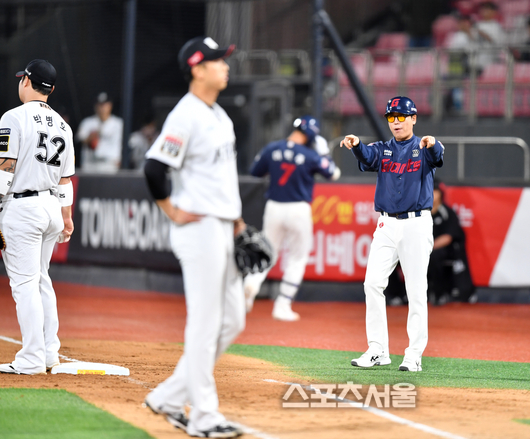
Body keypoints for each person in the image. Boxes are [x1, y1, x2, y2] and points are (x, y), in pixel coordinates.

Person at [142, 36, 244, 438]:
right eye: (218, 61)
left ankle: (168, 397)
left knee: (232, 320)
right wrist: (172, 210)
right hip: (198, 230)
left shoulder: (219, 114)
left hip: (222, 226)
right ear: (198, 69)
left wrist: (237, 222)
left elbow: (222, 179)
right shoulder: (185, 115)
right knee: (204, 324)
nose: (226, 66)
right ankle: (204, 417)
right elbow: (154, 168)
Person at [341, 96, 444, 372]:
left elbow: (437, 156)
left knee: (416, 290)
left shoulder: (424, 145)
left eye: (401, 116)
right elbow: (368, 156)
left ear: (413, 118)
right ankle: (378, 350)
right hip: (386, 224)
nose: (396, 122)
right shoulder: (383, 149)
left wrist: (433, 143)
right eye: (391, 117)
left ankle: (414, 354)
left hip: (416, 223)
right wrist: (356, 145)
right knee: (372, 283)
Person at [0, 59, 75, 375]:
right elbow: (65, 180)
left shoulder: (13, 117)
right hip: (51, 209)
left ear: (27, 81)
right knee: (41, 279)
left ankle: (31, 358)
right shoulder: (63, 126)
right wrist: (67, 217)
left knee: (25, 284)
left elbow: (5, 168)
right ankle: (48, 353)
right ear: (51, 89)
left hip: (22, 208)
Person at [243, 116, 341, 321]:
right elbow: (333, 174)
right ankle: (283, 305)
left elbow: (255, 172)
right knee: (297, 258)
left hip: (274, 207)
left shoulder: (272, 148)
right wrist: (324, 153)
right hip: (298, 209)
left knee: (267, 252)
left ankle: (250, 285)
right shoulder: (311, 155)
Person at [428, 180, 475, 306]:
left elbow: (448, 237)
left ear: (440, 194)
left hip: (444, 251)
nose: (431, 194)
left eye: (434, 191)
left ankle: (439, 294)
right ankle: (402, 295)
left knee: (435, 256)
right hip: (424, 249)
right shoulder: (421, 213)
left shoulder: (447, 213)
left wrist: (429, 247)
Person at [76, 92, 123, 173]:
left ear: (110, 106)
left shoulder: (118, 124)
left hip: (110, 164)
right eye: (100, 105)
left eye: (105, 105)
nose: (102, 108)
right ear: (95, 106)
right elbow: (80, 139)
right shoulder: (87, 122)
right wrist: (91, 137)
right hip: (90, 164)